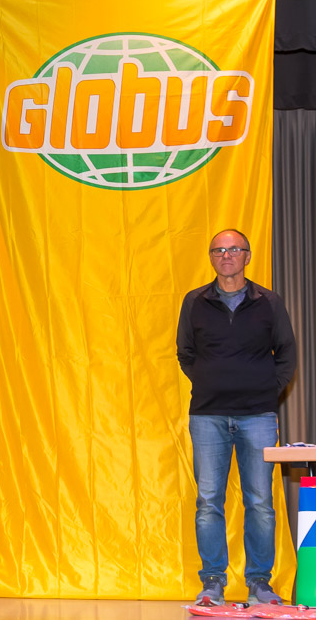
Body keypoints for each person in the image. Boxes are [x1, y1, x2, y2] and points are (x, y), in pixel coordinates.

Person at [177, 229, 295, 607]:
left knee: (259, 501)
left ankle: (260, 583)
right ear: (211, 257)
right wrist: (210, 381)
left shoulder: (269, 302)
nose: (226, 255)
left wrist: (264, 389)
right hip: (207, 415)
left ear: (247, 256)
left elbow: (287, 353)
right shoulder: (194, 301)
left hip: (257, 415)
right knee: (208, 501)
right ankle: (212, 582)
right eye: (218, 250)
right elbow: (185, 352)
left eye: (234, 249)